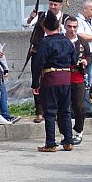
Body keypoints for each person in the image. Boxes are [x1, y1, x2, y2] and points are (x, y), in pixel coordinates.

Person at [31, 12, 76, 152]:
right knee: (65, 111)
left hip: (50, 79)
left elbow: (38, 63)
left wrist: (35, 83)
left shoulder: (44, 43)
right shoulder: (67, 42)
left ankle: (50, 143)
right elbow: (74, 60)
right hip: (66, 79)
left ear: (45, 27)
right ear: (58, 26)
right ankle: (68, 141)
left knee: (50, 112)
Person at [26, 0, 67, 123]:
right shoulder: (42, 15)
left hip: (55, 54)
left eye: (55, 4)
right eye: (50, 4)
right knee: (37, 80)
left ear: (60, 5)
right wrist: (31, 17)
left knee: (52, 82)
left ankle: (54, 111)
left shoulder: (65, 18)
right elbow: (26, 24)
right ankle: (39, 111)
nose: (53, 6)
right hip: (39, 51)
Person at [63, 17, 91, 145]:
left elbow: (90, 55)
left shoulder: (82, 41)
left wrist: (87, 61)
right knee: (63, 107)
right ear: (65, 26)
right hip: (63, 77)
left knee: (79, 106)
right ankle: (66, 133)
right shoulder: (61, 40)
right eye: (69, 26)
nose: (72, 29)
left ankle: (78, 131)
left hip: (78, 77)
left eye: (75, 27)